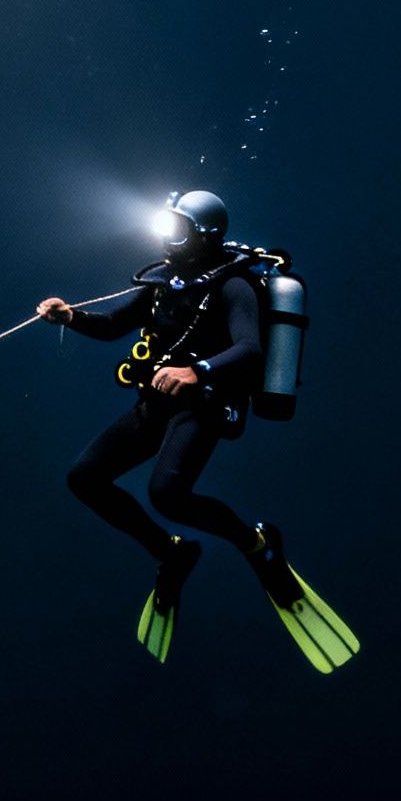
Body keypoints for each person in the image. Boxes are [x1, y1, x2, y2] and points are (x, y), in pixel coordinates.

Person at [37, 190, 358, 671]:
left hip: (205, 404)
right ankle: (172, 553)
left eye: (179, 229)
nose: (170, 238)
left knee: (167, 493)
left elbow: (250, 350)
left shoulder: (234, 287)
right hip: (158, 403)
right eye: (167, 226)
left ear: (203, 235)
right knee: (84, 478)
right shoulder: (165, 282)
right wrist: (71, 317)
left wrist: (197, 371)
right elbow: (113, 326)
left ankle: (257, 544)